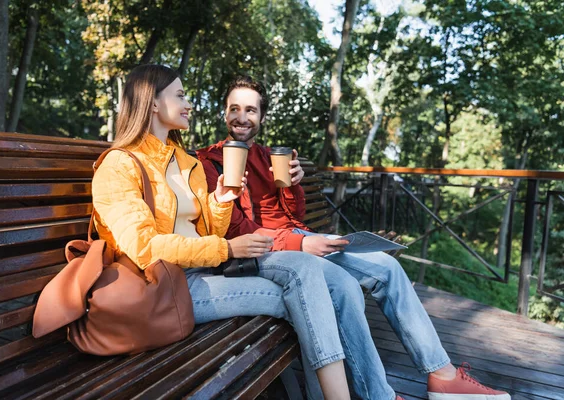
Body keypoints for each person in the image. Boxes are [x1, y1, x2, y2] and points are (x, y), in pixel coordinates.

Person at [196, 75, 511, 400]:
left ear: (261, 117)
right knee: (344, 288)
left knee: (387, 267)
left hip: (297, 238)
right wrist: (302, 243)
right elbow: (232, 231)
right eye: (234, 108)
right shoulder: (209, 162)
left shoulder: (266, 156)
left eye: (250, 110)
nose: (241, 117)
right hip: (260, 253)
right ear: (224, 113)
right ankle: (379, 395)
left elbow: (293, 218)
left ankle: (441, 375)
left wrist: (293, 185)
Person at [90, 64, 355, 399]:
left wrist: (220, 200)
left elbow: (208, 230)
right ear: (153, 103)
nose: (189, 104)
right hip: (163, 286)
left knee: (304, 276)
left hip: (205, 272)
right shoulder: (119, 165)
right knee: (305, 297)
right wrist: (228, 249)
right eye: (180, 96)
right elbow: (143, 248)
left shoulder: (186, 163)